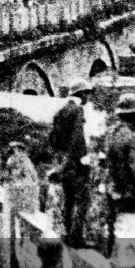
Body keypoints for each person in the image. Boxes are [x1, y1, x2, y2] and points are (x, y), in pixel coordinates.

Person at [105, 92, 135, 257]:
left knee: (115, 226)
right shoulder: (133, 139)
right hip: (128, 191)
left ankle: (113, 257)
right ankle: (130, 262)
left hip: (112, 187)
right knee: (129, 226)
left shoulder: (111, 134)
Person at [49, 78, 92, 248]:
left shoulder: (61, 111)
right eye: (87, 93)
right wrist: (77, 160)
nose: (89, 97)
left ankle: (67, 234)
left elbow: (53, 139)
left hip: (63, 163)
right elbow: (76, 139)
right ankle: (77, 238)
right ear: (81, 94)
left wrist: (60, 161)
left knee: (68, 199)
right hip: (75, 164)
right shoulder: (77, 110)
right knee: (83, 200)